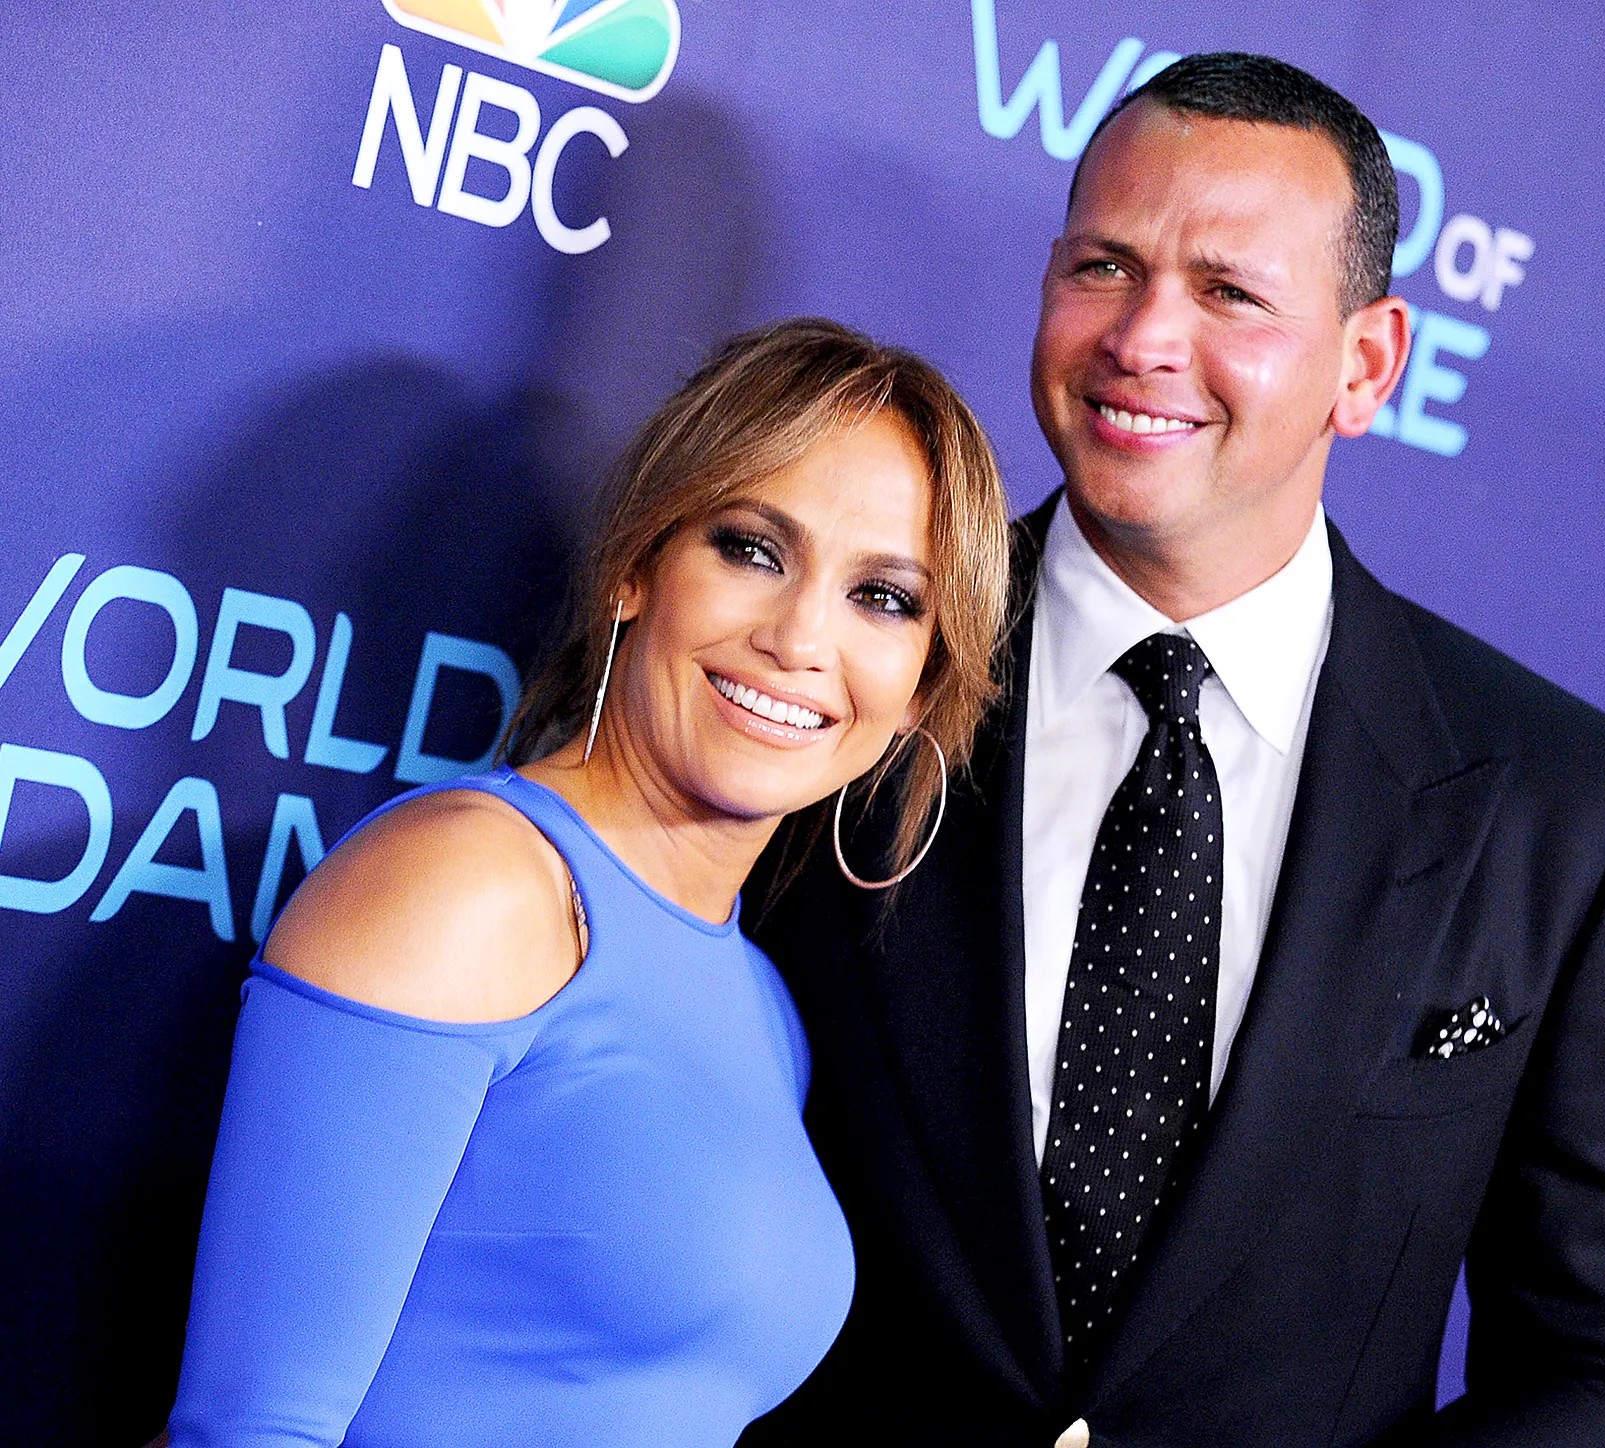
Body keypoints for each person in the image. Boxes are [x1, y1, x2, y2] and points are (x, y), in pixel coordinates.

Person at [741, 55, 1605, 1448]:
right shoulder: (841, 683)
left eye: (1230, 293)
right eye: (1103, 267)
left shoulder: (1564, 807)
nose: (1142, 337)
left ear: (1366, 365)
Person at [160, 318, 1011, 1448]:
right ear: (634, 565)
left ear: (918, 688)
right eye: (752, 548)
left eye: (884, 598)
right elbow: (250, 1429)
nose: (802, 636)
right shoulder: (475, 883)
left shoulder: (765, 1003)